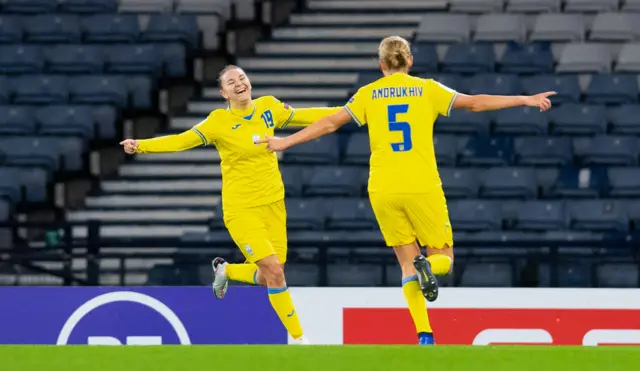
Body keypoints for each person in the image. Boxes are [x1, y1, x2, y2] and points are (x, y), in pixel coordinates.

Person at [257, 36, 556, 345]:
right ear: (409, 61)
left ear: (381, 64)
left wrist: (284, 142)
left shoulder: (369, 94)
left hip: (383, 188)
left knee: (405, 262)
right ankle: (429, 268)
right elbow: (476, 102)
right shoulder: (427, 89)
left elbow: (331, 123)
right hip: (421, 184)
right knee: (444, 258)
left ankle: (424, 334)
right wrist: (524, 99)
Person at [120, 65, 340, 344]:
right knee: (273, 270)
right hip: (241, 209)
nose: (239, 84)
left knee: (270, 276)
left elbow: (304, 116)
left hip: (273, 205)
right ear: (224, 93)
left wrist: (348, 111)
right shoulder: (218, 123)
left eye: (243, 78)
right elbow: (181, 141)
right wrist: (141, 145)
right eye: (231, 82)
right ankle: (299, 340)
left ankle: (226, 270)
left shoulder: (269, 107)